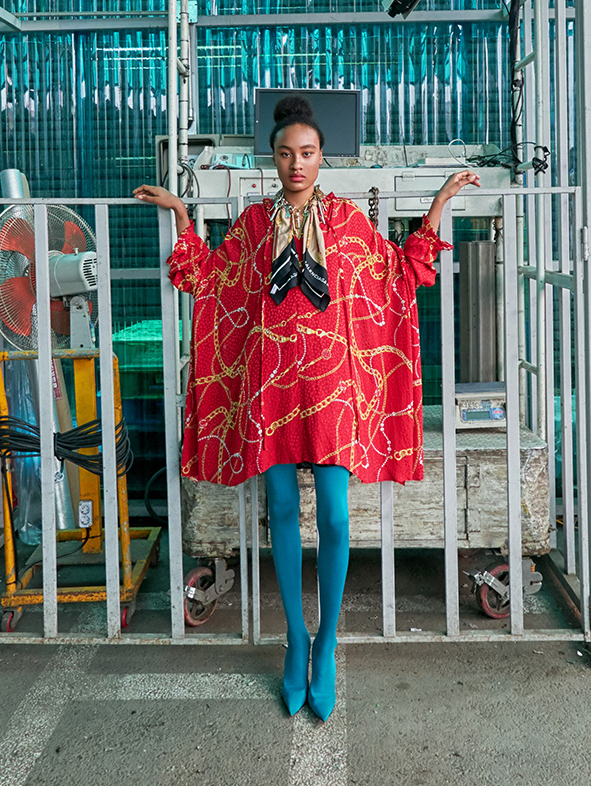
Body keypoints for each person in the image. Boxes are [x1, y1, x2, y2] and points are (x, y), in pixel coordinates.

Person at [135, 96, 480, 721]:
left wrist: (438, 205)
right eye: (286, 154)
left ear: (322, 158)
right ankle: (295, 639)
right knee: (285, 513)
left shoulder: (347, 220)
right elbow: (209, 278)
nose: (297, 164)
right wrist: (182, 213)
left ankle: (327, 644)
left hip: (332, 392)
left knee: (337, 518)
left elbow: (398, 273)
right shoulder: (254, 224)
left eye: (308, 153)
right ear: (272, 159)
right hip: (271, 389)